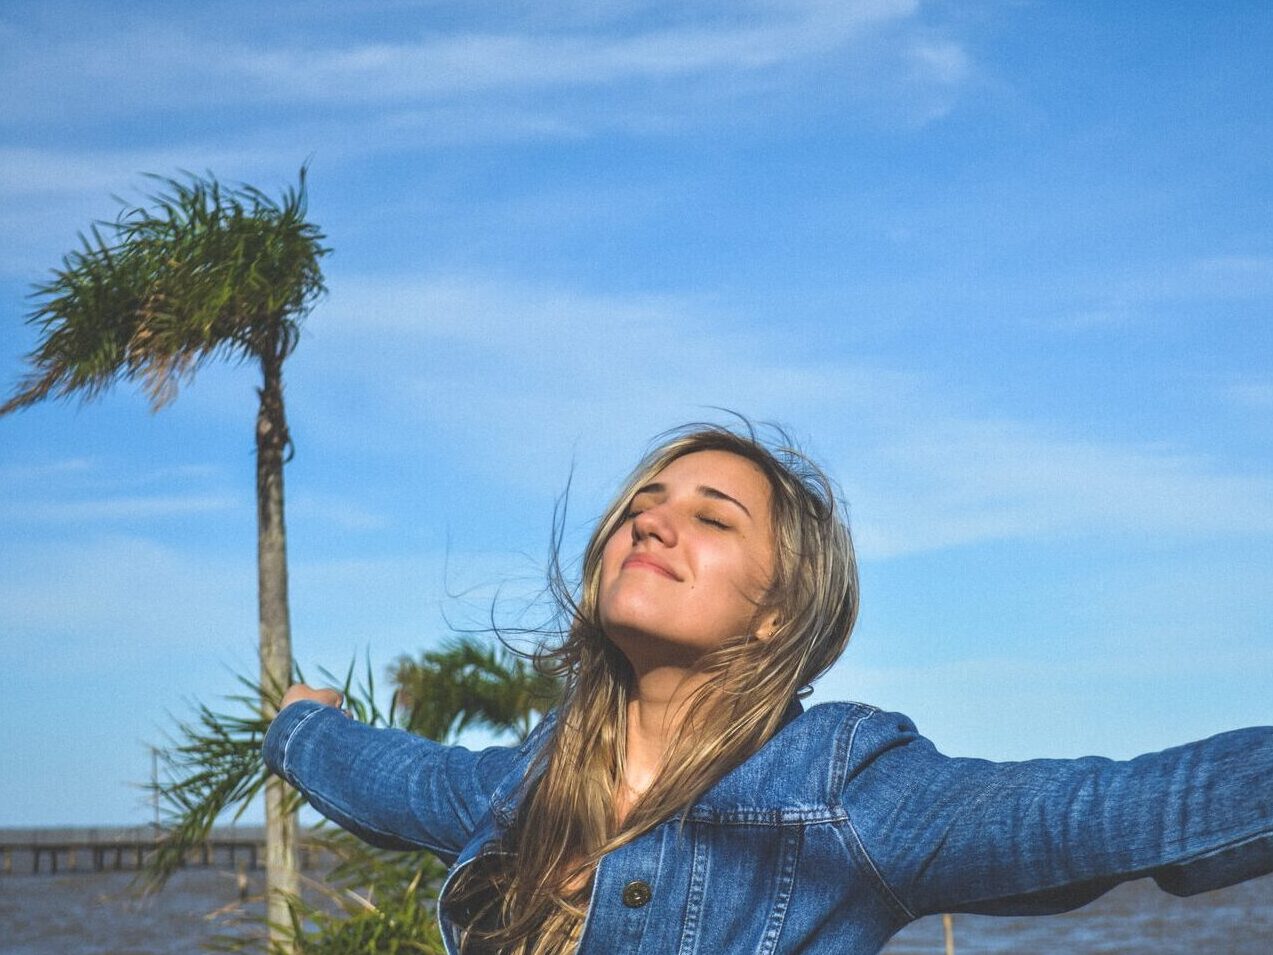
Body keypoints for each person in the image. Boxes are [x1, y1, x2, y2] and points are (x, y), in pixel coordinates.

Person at [264, 423, 1273, 955]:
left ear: (775, 612)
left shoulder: (842, 794)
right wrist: (303, 729)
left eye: (712, 517)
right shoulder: (530, 783)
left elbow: (1119, 813)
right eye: (641, 506)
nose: (651, 523)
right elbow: (389, 775)